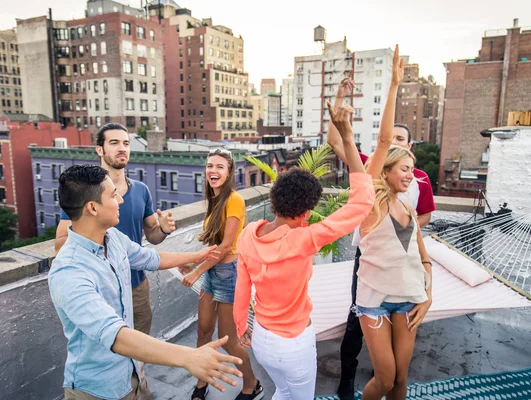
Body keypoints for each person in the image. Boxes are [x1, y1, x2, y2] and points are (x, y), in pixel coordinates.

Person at [50, 164, 244, 400]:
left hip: (131, 375)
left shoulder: (113, 239)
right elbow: (115, 334)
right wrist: (187, 357)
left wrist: (197, 256)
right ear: (92, 207)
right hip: (97, 389)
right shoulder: (69, 270)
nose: (120, 200)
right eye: (113, 195)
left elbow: (151, 257)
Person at [233, 102, 375, 400]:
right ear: (306, 211)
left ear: (275, 200)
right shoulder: (303, 240)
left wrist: (239, 325)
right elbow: (362, 202)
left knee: (282, 392)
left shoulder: (248, 235)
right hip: (294, 345)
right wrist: (348, 138)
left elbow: (242, 287)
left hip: (260, 339)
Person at [327, 52, 436, 400]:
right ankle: (347, 380)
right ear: (385, 170)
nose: (410, 173)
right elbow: (383, 140)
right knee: (385, 379)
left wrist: (428, 296)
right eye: (403, 167)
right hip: (375, 300)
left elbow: (423, 259)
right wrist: (393, 84)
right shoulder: (372, 199)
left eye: (412, 167)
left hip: (410, 300)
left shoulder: (409, 202)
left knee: (400, 381)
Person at [55, 123, 173, 338]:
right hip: (101, 288)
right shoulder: (86, 191)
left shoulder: (141, 190)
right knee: (109, 348)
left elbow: (152, 237)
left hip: (137, 286)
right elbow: (62, 242)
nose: (122, 148)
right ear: (99, 150)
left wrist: (163, 229)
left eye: (126, 143)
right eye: (114, 143)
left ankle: (140, 374)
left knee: (141, 351)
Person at [181, 148, 263, 400]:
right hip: (212, 270)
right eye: (209, 166)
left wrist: (195, 272)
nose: (212, 171)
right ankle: (202, 380)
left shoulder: (234, 199)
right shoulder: (215, 199)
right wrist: (193, 261)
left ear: (229, 173)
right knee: (203, 330)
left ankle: (252, 384)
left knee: (228, 339)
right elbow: (214, 243)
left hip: (229, 274)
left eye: (219, 167)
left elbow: (227, 246)